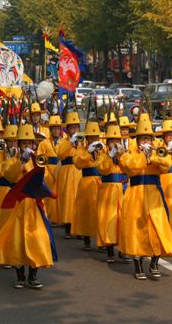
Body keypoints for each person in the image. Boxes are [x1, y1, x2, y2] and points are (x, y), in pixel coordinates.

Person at [0, 125, 55, 289]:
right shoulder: (12, 160)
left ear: (33, 144)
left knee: (37, 237)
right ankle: (20, 276)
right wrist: (21, 162)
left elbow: (47, 176)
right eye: (23, 143)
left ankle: (33, 275)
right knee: (17, 239)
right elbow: (9, 174)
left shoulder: (40, 158)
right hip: (19, 204)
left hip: (34, 204)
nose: (26, 146)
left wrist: (35, 162)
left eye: (29, 143)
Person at [119, 113, 172, 280]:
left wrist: (153, 156)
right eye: (143, 139)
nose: (146, 142)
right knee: (136, 230)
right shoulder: (129, 152)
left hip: (154, 193)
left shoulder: (157, 151)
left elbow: (167, 165)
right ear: (137, 140)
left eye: (148, 139)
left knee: (158, 227)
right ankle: (138, 265)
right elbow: (129, 167)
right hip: (136, 194)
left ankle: (154, 262)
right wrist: (143, 156)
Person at [95, 124, 127, 262]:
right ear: (107, 143)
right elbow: (103, 169)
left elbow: (129, 168)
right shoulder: (102, 155)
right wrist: (110, 155)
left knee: (122, 219)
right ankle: (109, 250)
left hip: (122, 188)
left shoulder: (124, 155)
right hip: (108, 190)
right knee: (108, 218)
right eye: (112, 141)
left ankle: (123, 249)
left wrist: (121, 157)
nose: (115, 144)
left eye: (117, 141)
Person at [72, 121, 103, 250]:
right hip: (87, 182)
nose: (94, 140)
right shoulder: (81, 149)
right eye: (91, 137)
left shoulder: (103, 148)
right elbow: (77, 163)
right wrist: (88, 154)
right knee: (86, 210)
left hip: (101, 182)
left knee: (101, 211)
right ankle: (86, 238)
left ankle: (102, 239)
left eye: (96, 137)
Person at [55, 111, 82, 238]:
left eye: (76, 127)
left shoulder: (83, 141)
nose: (74, 130)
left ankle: (80, 228)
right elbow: (60, 153)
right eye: (72, 127)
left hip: (79, 171)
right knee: (68, 198)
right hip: (67, 170)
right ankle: (68, 227)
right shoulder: (63, 141)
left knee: (79, 198)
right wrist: (71, 142)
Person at [37, 115, 62, 223]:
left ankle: (60, 217)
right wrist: (46, 172)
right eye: (53, 128)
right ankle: (48, 217)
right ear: (50, 130)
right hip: (49, 172)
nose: (56, 131)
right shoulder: (44, 143)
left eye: (57, 128)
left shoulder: (65, 141)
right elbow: (41, 160)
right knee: (48, 195)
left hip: (60, 171)